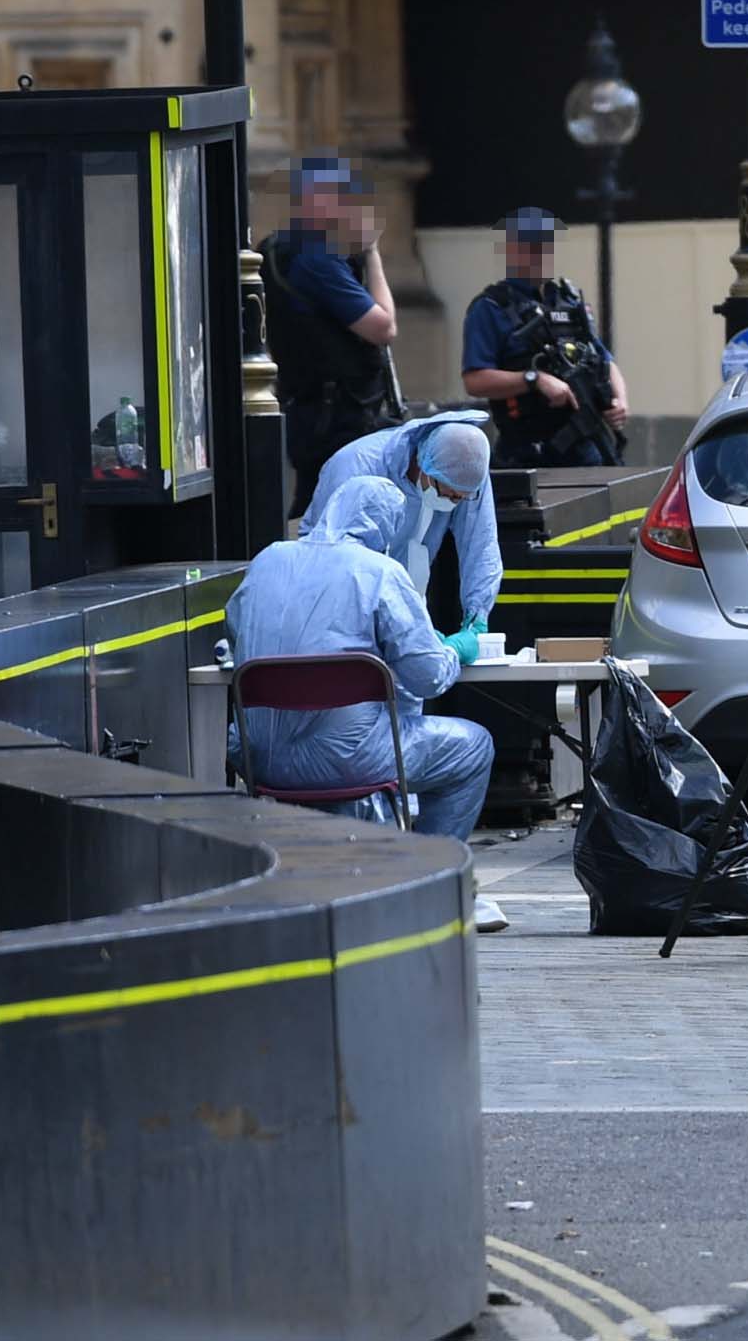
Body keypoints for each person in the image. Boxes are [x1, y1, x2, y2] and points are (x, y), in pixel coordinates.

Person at [226, 476, 508, 932]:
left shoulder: (267, 561)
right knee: (473, 747)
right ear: (384, 527)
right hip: (347, 759)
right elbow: (429, 675)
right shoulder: (378, 572)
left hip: (257, 758)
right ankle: (428, 886)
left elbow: (238, 633)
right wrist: (458, 647)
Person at [260, 155, 403, 519]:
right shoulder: (317, 260)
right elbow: (383, 328)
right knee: (337, 510)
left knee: (320, 505)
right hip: (338, 416)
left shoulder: (276, 248)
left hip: (312, 407)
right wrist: (371, 254)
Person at [308, 409, 503, 646]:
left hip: (406, 605)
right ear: (423, 463)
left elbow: (481, 544)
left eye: (460, 498)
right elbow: (333, 562)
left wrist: (476, 618)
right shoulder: (356, 466)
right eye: (448, 493)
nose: (452, 502)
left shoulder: (467, 466)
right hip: (343, 609)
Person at [459, 208, 631, 468]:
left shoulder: (568, 300)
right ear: (511, 250)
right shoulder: (491, 307)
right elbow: (475, 380)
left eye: (546, 245)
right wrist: (534, 380)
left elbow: (605, 360)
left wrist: (619, 401)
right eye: (532, 246)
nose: (541, 254)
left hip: (589, 447)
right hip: (528, 452)